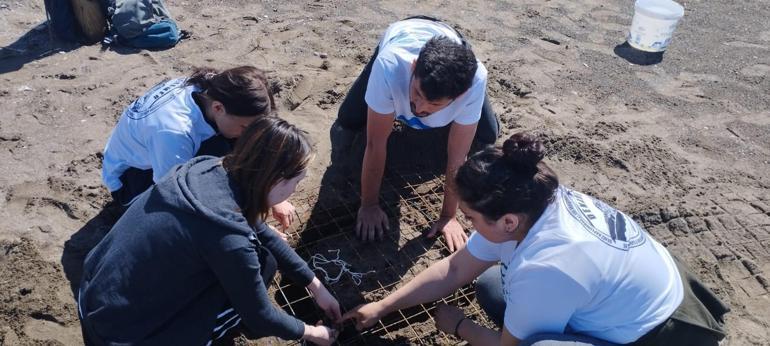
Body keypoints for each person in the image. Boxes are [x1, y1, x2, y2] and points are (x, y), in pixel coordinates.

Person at [342, 132, 729, 345]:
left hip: (666, 334)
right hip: (642, 291)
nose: (470, 226)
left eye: (472, 218)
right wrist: (383, 307)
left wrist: (459, 325)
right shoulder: (534, 198)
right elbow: (456, 268)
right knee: (495, 286)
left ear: (508, 221)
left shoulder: (549, 266)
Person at [79, 117, 340, 346]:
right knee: (259, 267)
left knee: (263, 258)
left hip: (93, 293)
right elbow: (260, 316)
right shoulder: (229, 239)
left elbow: (260, 230)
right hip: (125, 336)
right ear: (275, 180)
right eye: (296, 182)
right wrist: (313, 333)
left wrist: (315, 285)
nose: (295, 190)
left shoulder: (206, 168)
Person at [335, 16, 500, 252]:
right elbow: (375, 144)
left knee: (488, 134)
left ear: (459, 97)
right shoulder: (390, 65)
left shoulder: (474, 82)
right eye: (416, 93)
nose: (419, 108)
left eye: (433, 104)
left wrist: (448, 216)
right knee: (349, 119)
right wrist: (369, 204)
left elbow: (456, 158)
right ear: (413, 68)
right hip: (401, 36)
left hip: (453, 47)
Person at [101, 66, 297, 230]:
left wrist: (273, 195)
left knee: (234, 148)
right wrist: (253, 228)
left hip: (159, 153)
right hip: (133, 180)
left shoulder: (210, 88)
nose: (246, 134)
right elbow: (176, 197)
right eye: (244, 127)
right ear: (218, 108)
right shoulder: (174, 133)